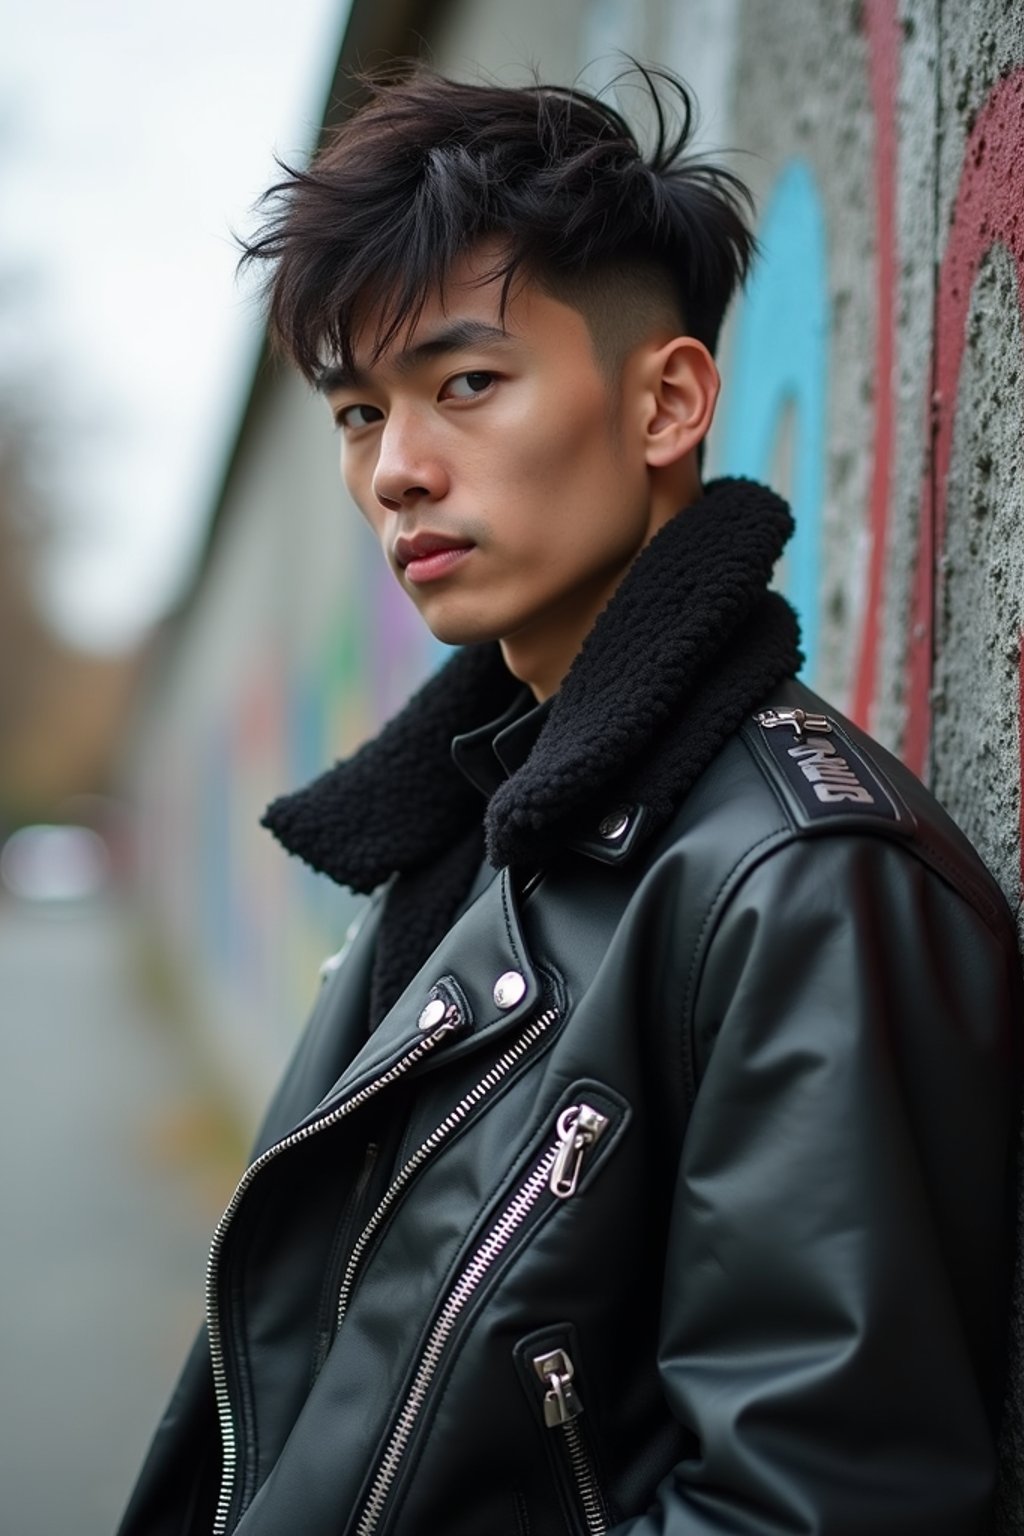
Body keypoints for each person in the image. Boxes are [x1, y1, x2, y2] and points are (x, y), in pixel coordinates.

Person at [117, 66, 1021, 1536]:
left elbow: (822, 1502)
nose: (398, 470)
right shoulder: (462, 830)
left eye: (466, 384)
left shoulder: (801, 883)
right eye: (358, 412)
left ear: (666, 400)